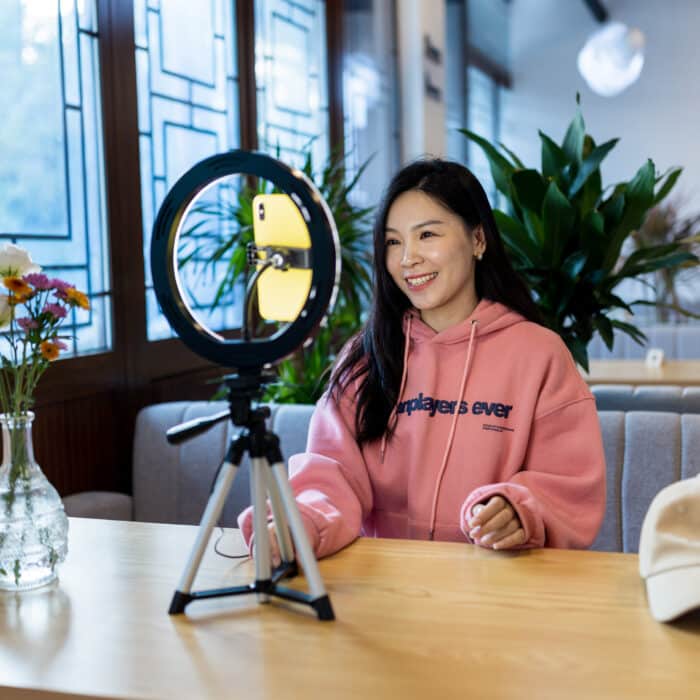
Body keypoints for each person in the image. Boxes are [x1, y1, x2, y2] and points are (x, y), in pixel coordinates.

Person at [238, 159, 606, 562]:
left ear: (478, 239)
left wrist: (520, 509)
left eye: (427, 234)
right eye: (393, 242)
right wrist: (301, 524)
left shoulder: (540, 354)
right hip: (384, 593)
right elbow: (330, 476)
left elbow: (568, 484)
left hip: (499, 593)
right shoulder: (366, 355)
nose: (407, 258)